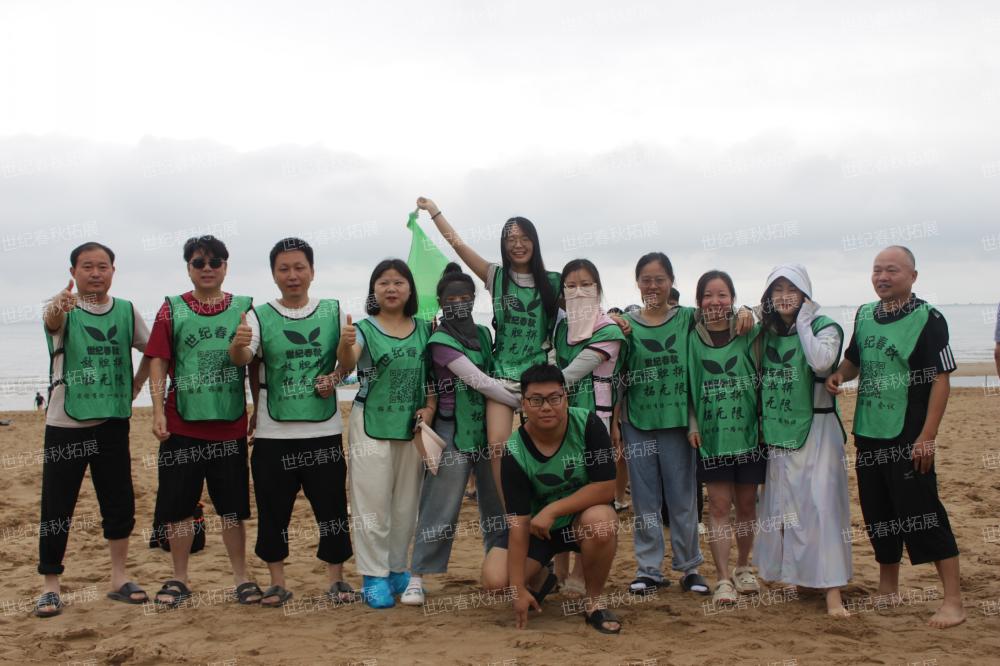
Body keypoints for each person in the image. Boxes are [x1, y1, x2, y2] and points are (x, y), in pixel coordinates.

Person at [826, 246, 965, 628]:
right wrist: (840, 375)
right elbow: (855, 360)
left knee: (923, 514)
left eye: (892, 270)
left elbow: (941, 379)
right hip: (869, 431)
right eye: (877, 270)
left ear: (912, 276)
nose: (882, 277)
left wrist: (928, 436)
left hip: (908, 434)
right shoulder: (865, 314)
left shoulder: (928, 318)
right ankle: (888, 588)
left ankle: (953, 601)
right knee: (879, 513)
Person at [614, 254, 752, 598]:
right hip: (637, 421)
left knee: (683, 499)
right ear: (637, 283)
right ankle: (648, 570)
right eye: (646, 279)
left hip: (678, 423)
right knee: (645, 500)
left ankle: (690, 567)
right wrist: (611, 318)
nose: (653, 286)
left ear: (671, 282)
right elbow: (617, 374)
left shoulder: (688, 318)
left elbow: (721, 311)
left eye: (660, 279)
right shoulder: (626, 324)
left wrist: (747, 310)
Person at [228, 238, 355, 608]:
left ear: (312, 271)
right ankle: (277, 582)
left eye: (300, 267)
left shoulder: (333, 311)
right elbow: (242, 358)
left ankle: (337, 579)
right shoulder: (257, 315)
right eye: (283, 269)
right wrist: (237, 344)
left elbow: (347, 363)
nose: (292, 275)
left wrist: (335, 375)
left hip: (323, 431)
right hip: (273, 434)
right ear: (273, 274)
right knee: (273, 510)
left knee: (331, 508)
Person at [35, 242, 151, 617]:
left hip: (112, 421)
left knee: (118, 501)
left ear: (113, 271)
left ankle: (119, 578)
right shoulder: (64, 308)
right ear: (73, 272)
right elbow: (52, 321)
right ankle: (50, 586)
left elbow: (153, 350)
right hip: (65, 423)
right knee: (57, 505)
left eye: (103, 266)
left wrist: (136, 385)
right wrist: (58, 305)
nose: (96, 273)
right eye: (87, 266)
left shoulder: (126, 310)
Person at [416, 197, 560, 498]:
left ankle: (547, 501)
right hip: (502, 377)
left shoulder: (553, 282)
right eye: (510, 239)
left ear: (534, 242)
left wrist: (617, 321)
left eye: (524, 238)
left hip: (541, 376)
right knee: (496, 445)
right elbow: (458, 245)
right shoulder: (497, 277)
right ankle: (510, 509)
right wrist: (435, 212)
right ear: (503, 245)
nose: (518, 244)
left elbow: (585, 309)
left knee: (548, 445)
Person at [145, 235, 261, 607]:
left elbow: (256, 365)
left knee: (233, 509)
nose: (207, 268)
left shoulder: (245, 307)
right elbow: (159, 360)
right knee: (178, 507)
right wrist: (157, 409)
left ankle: (241, 577)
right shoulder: (171, 308)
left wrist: (258, 409)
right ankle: (179, 578)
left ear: (226, 266)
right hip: (182, 424)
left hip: (229, 424)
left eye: (215, 262)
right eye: (199, 262)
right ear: (189, 268)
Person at [400, 263, 519, 606]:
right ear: (440, 302)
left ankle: (499, 566)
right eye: (451, 299)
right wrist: (522, 401)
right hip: (452, 431)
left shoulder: (482, 333)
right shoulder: (440, 341)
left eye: (465, 297)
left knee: (497, 504)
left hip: (488, 429)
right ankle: (417, 577)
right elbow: (480, 381)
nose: (459, 304)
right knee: (440, 505)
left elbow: (496, 371)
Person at [481, 364, 621, 634]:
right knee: (495, 582)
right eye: (536, 400)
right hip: (536, 529)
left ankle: (593, 602)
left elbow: (605, 488)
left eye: (554, 398)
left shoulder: (588, 424)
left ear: (565, 398)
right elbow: (518, 524)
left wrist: (554, 510)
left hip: (578, 521)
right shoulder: (513, 451)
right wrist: (518, 589)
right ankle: (543, 579)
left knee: (601, 521)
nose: (546, 407)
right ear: (523, 404)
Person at [752, 265, 852, 616]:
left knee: (823, 507)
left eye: (791, 289)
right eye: (776, 290)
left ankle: (833, 591)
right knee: (788, 509)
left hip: (818, 432)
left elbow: (822, 363)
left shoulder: (825, 328)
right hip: (780, 432)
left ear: (805, 294)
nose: (784, 297)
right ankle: (800, 577)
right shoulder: (768, 334)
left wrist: (805, 320)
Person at [336, 258, 435, 609]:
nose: (391, 288)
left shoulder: (426, 328)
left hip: (410, 426)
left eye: (398, 282)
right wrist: (345, 343)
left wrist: (430, 407)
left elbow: (433, 376)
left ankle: (396, 569)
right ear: (373, 290)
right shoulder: (363, 329)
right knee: (372, 502)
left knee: (406, 505)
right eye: (383, 283)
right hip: (370, 424)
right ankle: (373, 575)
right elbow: (348, 363)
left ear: (410, 289)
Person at [687, 270, 764, 606]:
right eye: (708, 295)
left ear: (732, 298)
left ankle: (743, 566)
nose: (715, 302)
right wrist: (692, 424)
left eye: (722, 295)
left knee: (746, 505)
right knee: (718, 506)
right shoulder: (692, 337)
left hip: (749, 433)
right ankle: (721, 578)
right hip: (712, 435)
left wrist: (750, 311)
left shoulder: (748, 331)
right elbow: (689, 386)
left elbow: (774, 312)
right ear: (699, 301)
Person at [550, 259, 625, 594]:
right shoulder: (559, 329)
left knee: (591, 496)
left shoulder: (609, 330)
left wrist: (524, 391)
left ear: (598, 288)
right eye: (570, 285)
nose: (578, 292)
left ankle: (581, 574)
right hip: (557, 421)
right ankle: (558, 570)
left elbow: (568, 375)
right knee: (560, 490)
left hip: (595, 422)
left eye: (586, 285)